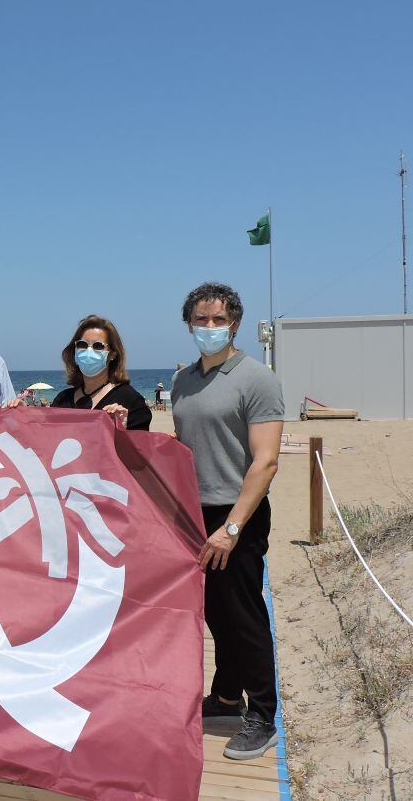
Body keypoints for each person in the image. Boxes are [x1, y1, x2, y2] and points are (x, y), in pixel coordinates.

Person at [171, 282, 284, 761]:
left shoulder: (257, 379)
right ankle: (226, 696)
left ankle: (262, 714)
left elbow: (266, 462)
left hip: (237, 514)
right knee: (215, 614)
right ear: (189, 323)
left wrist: (233, 527)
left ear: (235, 323)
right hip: (194, 513)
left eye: (219, 320)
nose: (210, 327)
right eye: (201, 319)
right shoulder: (182, 381)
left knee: (244, 616)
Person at [51, 315, 151, 430]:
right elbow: (47, 439)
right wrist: (25, 415)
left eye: (98, 346)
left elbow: (141, 446)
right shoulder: (63, 400)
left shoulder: (131, 400)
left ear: (112, 354)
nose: (89, 351)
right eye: (82, 344)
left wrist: (122, 431)